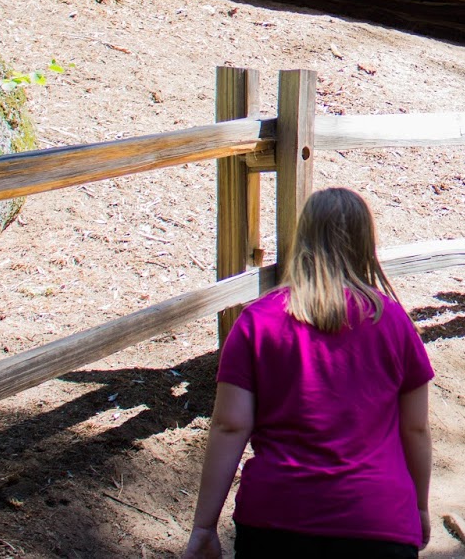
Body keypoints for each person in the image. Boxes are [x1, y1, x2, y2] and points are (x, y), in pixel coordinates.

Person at [183, 187, 435, 559]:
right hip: (378, 521)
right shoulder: (395, 323)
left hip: (276, 519)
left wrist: (204, 526)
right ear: (366, 244)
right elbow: (415, 428)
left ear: (303, 239)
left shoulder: (257, 322)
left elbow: (230, 426)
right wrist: (420, 506)